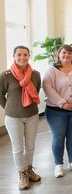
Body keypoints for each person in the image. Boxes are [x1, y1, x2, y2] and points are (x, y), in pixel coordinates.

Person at [43, 45, 72, 178]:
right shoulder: (51, 70)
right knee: (58, 137)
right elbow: (47, 87)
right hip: (55, 111)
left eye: (70, 53)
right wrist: (62, 103)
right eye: (64, 53)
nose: (67, 55)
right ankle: (58, 164)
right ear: (59, 54)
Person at [0, 46, 41, 190]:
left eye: (25, 54)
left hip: (32, 115)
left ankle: (29, 170)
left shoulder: (35, 74)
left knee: (30, 145)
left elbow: (37, 89)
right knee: (18, 147)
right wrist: (10, 107)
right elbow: (0, 95)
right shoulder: (6, 75)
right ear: (14, 56)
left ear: (29, 56)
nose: (22, 57)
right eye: (19, 54)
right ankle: (22, 174)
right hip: (13, 117)